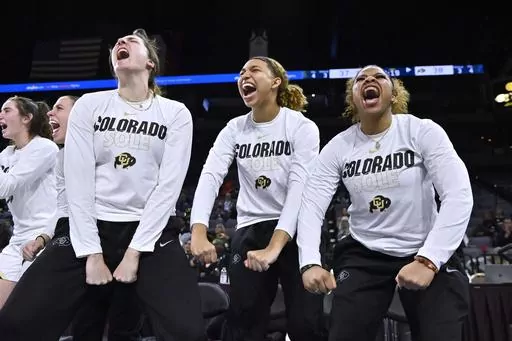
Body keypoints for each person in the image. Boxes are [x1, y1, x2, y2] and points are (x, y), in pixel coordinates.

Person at [0, 29, 206, 341]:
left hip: (149, 234)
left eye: (132, 42)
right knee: (15, 322)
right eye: (118, 43)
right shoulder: (90, 106)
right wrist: (92, 253)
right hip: (87, 228)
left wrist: (134, 252)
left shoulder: (175, 114)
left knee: (188, 332)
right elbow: (78, 182)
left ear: (151, 63)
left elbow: (169, 187)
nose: (121, 43)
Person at [297, 64, 473, 341]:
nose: (370, 80)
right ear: (353, 97)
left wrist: (428, 260)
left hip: (425, 246)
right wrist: (309, 262)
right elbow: (311, 205)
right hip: (365, 252)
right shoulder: (338, 147)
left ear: (394, 94)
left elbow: (458, 193)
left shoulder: (422, 131)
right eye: (361, 79)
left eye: (379, 77)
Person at [190, 56, 326, 341]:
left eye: (253, 70)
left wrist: (275, 247)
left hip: (298, 230)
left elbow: (299, 190)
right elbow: (210, 175)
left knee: (306, 325)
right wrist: (198, 231)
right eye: (241, 72)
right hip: (251, 228)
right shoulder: (234, 129)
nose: (244, 76)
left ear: (276, 82)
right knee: (242, 323)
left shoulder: (302, 127)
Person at [21, 94, 145, 341]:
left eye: (59, 108)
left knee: (124, 327)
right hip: (82, 247)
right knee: (85, 325)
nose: (49, 113)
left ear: (82, 115)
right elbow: (64, 209)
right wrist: (43, 236)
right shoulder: (61, 157)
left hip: (122, 243)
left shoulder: (110, 149)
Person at [0, 96, 58, 308]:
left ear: (26, 118)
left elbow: (3, 187)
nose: (1, 115)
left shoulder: (44, 148)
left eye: (7, 110)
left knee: (28, 313)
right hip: (17, 241)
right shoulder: (6, 154)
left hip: (44, 240)